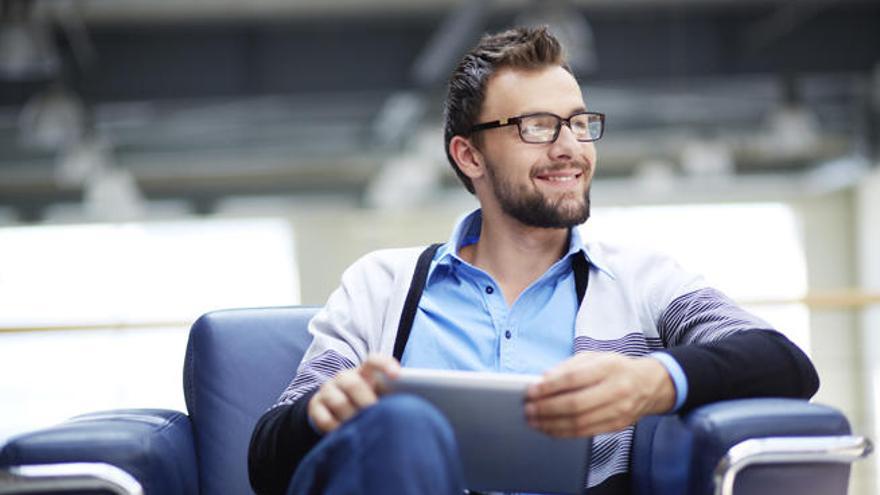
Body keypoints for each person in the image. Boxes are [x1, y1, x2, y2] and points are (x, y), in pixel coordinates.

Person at [248, 26, 819, 495]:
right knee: (401, 426)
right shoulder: (382, 285)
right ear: (469, 154)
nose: (569, 146)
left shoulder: (641, 282)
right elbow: (268, 458)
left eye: (578, 122)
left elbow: (784, 362)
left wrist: (655, 381)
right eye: (537, 127)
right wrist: (322, 415)